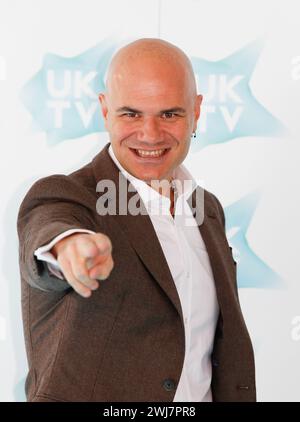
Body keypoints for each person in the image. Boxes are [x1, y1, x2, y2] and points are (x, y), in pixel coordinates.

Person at [17, 38, 256, 402]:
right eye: (131, 113)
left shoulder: (208, 210)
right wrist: (69, 248)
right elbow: (49, 229)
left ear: (196, 110)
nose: (150, 134)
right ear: (104, 110)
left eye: (169, 114)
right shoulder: (70, 195)